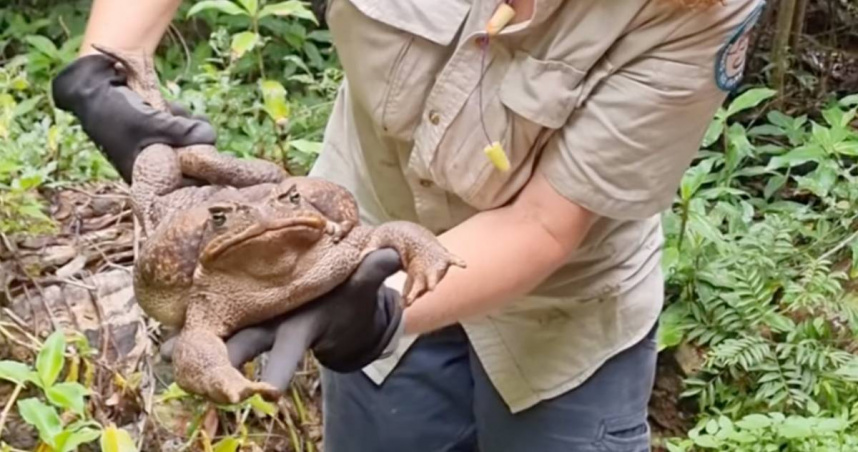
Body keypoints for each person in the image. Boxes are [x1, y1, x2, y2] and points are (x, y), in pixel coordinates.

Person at [52, 0, 765, 450]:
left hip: (558, 308)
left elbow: (547, 225)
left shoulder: (696, 10)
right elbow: (194, 338)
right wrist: (107, 66)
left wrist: (379, 306)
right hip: (340, 229)